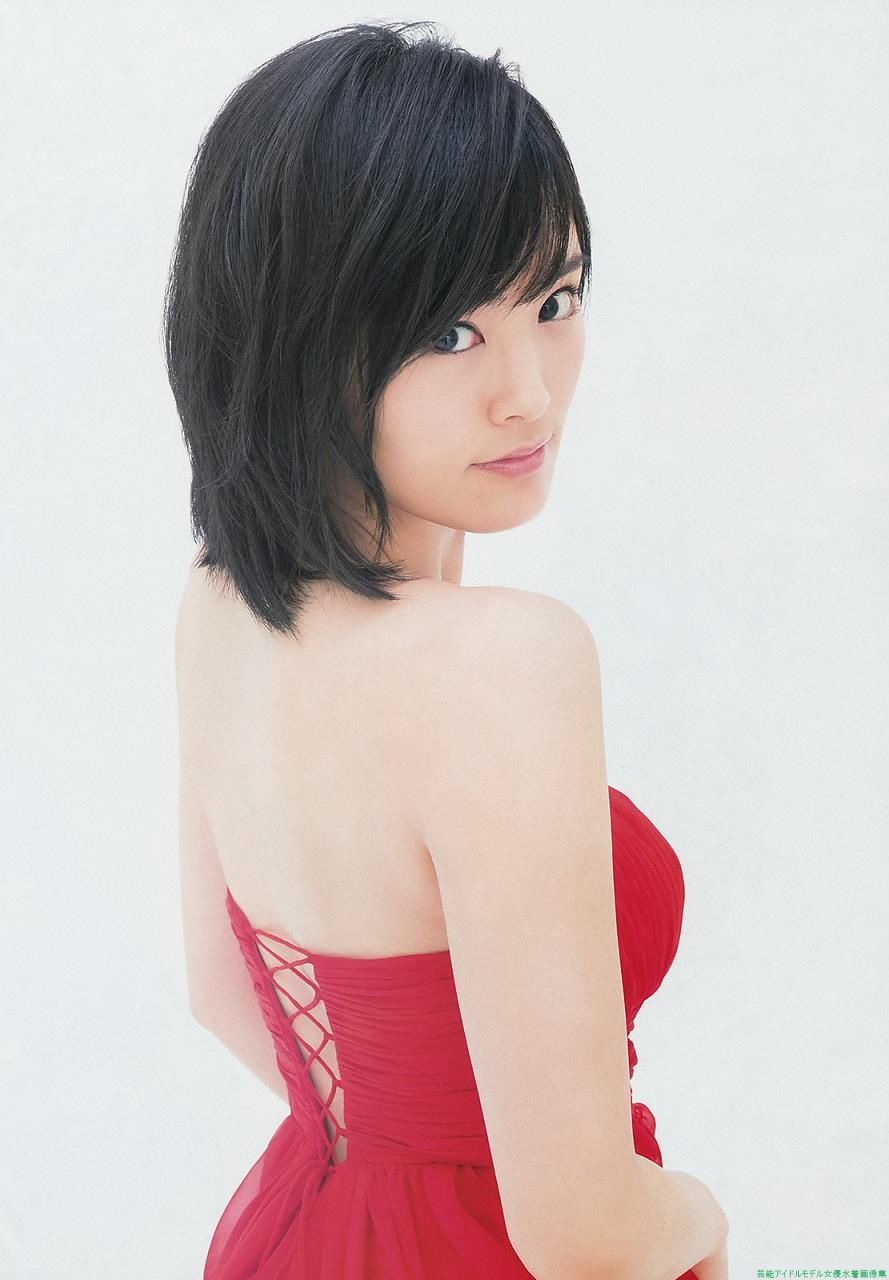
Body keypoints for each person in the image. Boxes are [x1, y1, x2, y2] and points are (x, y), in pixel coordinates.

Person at [164, 19, 730, 1280]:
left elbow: (221, 991)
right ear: (296, 332)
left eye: (554, 300)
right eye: (450, 331)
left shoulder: (220, 604)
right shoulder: (500, 662)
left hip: (302, 1228)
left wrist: (399, 1149)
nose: (530, 390)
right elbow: (582, 1233)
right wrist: (698, 1209)